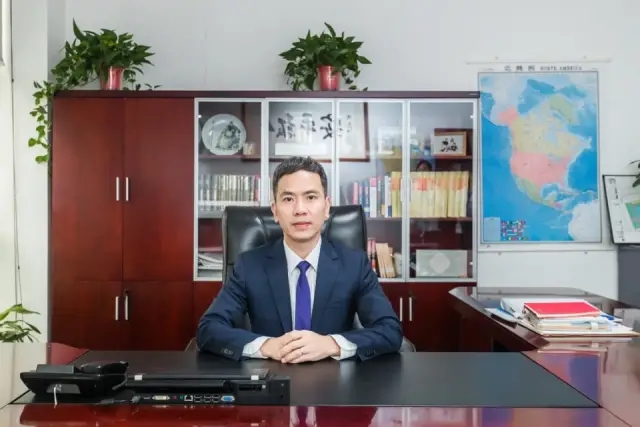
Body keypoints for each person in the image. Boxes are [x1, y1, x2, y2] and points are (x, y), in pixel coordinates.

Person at [196, 156, 403, 363]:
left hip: (335, 378)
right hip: (271, 374)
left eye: (310, 197)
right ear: (275, 210)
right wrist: (266, 346)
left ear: (327, 207)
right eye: (288, 199)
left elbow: (390, 330)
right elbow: (209, 328)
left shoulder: (354, 264)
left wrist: (331, 344)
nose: (300, 210)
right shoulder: (249, 266)